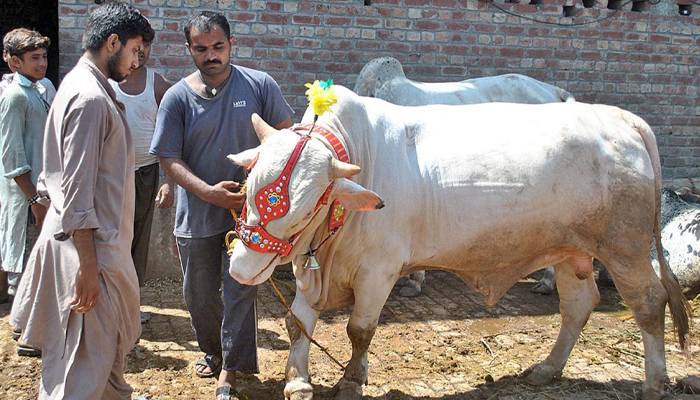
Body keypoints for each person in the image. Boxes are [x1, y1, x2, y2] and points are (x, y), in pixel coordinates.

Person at [9, 2, 152, 398]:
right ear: (112, 42)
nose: (137, 61)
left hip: (94, 248)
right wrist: (87, 268)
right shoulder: (89, 98)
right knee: (79, 368)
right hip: (90, 254)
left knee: (102, 359)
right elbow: (75, 191)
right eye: (135, 50)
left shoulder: (83, 86)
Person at [149, 11, 293, 399]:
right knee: (197, 294)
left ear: (232, 45)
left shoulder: (260, 85)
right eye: (201, 48)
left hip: (248, 214)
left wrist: (261, 189)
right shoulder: (178, 97)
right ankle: (214, 351)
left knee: (239, 288)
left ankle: (231, 369)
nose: (211, 55)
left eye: (218, 46)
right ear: (189, 50)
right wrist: (209, 192)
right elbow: (169, 159)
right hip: (195, 214)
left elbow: (284, 140)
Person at [109, 25, 173, 324]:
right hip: (112, 175)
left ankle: (130, 308)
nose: (142, 52)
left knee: (137, 242)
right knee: (112, 240)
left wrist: (167, 181)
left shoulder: (157, 85)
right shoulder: (108, 83)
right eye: (137, 46)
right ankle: (109, 306)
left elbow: (172, 136)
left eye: (147, 46)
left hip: (146, 173)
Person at [0, 28, 50, 306]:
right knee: (21, 266)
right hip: (25, 196)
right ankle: (24, 334)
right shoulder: (15, 96)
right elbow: (12, 157)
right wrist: (33, 198)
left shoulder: (40, 90)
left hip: (39, 193)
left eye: (43, 56)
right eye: (35, 58)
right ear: (15, 62)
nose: (42, 63)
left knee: (36, 262)